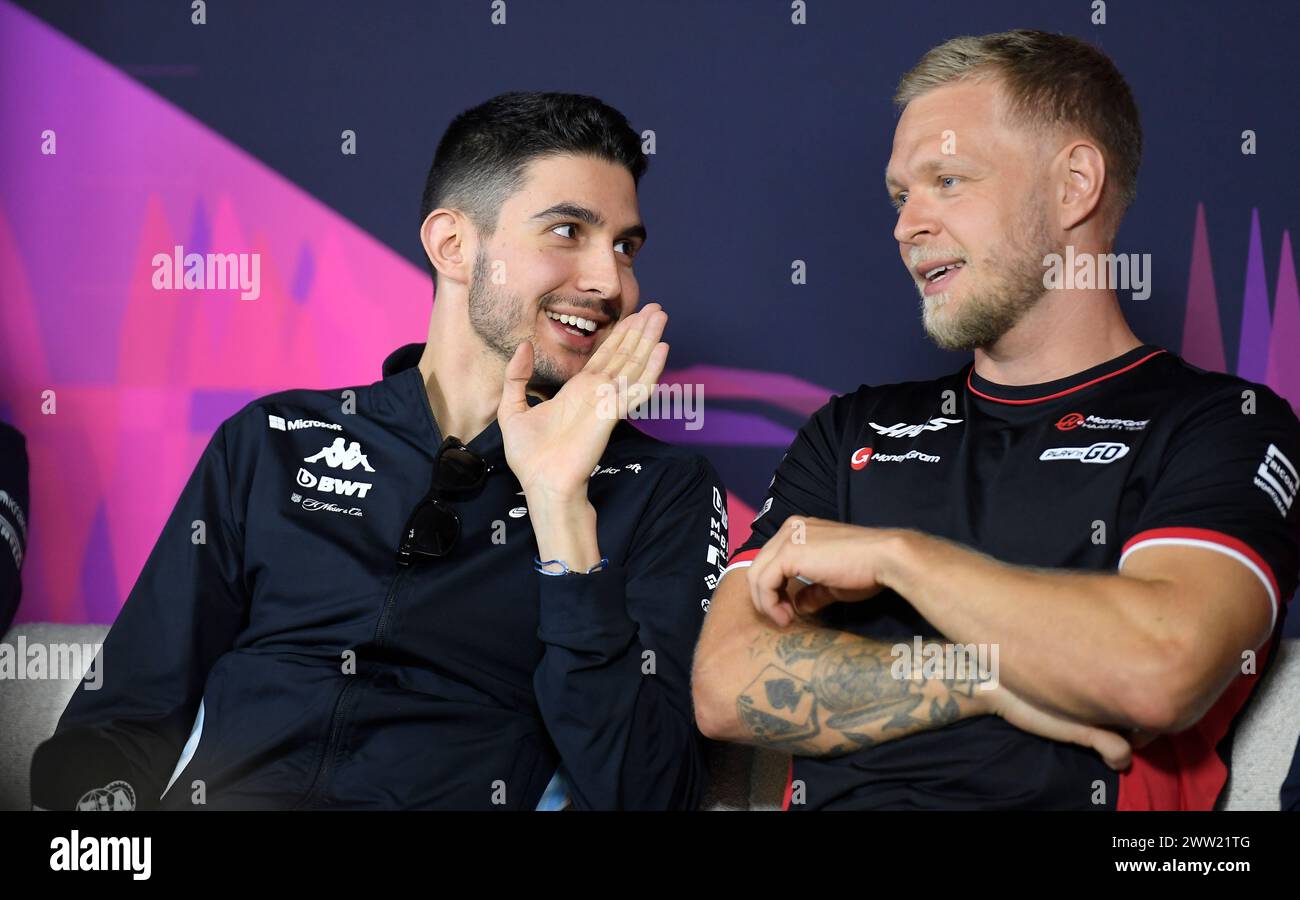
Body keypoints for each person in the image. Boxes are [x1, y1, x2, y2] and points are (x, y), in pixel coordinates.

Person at [32, 91, 727, 810]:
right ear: (453, 246)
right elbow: (118, 723)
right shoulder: (272, 440)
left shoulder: (658, 485)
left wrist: (559, 507)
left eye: (624, 246)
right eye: (566, 231)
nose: (608, 281)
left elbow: (652, 791)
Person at [692, 30, 1300, 810]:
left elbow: (1156, 668)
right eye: (899, 195)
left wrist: (897, 558)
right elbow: (726, 684)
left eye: (947, 180)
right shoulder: (851, 433)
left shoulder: (1222, 426)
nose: (906, 224)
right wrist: (980, 676)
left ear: (1074, 186)